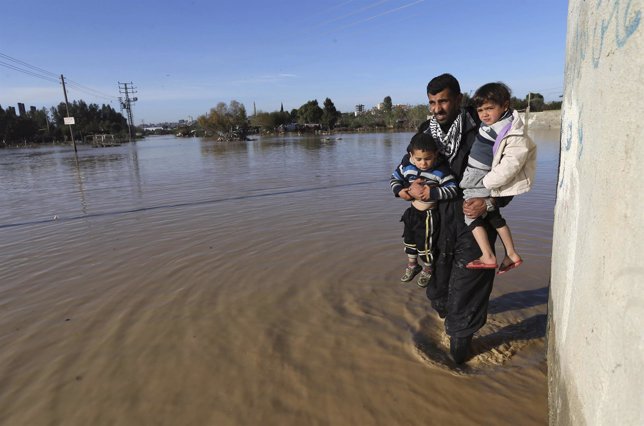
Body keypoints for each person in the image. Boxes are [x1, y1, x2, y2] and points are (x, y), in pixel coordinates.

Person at [406, 73, 511, 363]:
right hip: (436, 224)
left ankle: (458, 365)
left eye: (443, 101)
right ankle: (450, 318)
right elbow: (406, 166)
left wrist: (489, 202)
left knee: (466, 296)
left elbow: (510, 176)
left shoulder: (484, 128)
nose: (437, 108)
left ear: (459, 100)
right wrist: (406, 188)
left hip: (474, 223)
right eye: (432, 102)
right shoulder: (425, 131)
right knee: (437, 292)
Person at [460, 82, 536, 273]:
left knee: (469, 214)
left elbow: (511, 165)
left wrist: (486, 182)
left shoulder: (510, 130)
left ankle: (488, 256)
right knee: (494, 217)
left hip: (480, 176)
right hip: (478, 174)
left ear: (505, 105)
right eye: (480, 110)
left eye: (490, 108)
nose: (484, 114)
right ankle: (511, 253)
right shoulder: (497, 124)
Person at [390, 133, 458, 287]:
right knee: (409, 239)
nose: (423, 163)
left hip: (429, 215)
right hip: (412, 212)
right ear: (411, 156)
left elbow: (453, 189)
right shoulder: (406, 167)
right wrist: (400, 191)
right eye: (419, 159)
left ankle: (428, 268)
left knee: (426, 243)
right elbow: (394, 178)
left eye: (427, 159)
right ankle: (413, 266)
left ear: (435, 155)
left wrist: (433, 193)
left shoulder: (440, 172)